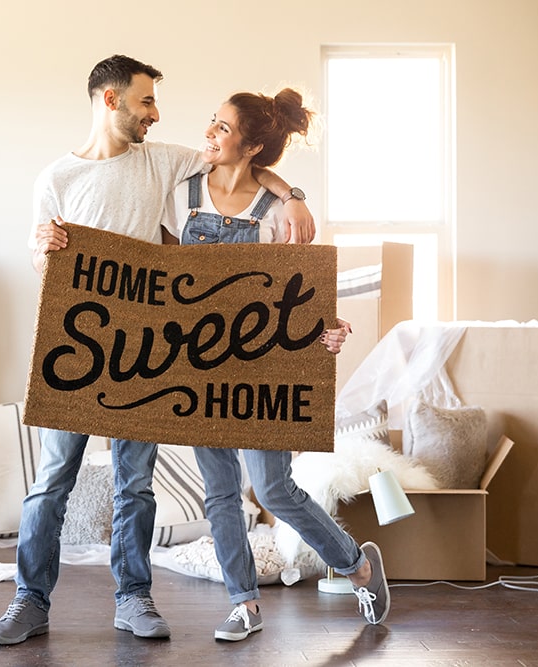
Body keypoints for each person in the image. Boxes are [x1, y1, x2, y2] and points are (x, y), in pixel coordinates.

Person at [0, 54, 315, 646]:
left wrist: (294, 196)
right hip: (76, 346)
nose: (156, 115)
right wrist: (45, 249)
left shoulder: (160, 162)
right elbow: (43, 267)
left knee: (133, 484)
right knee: (52, 479)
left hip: (141, 348)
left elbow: (242, 162)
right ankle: (29, 602)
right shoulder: (55, 179)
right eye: (146, 102)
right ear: (111, 101)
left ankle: (133, 598)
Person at [166, 87, 389, 642]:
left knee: (272, 489)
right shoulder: (184, 189)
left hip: (262, 367)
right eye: (211, 122)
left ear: (253, 143)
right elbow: (162, 269)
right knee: (218, 492)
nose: (210, 134)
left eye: (222, 128)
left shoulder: (275, 214)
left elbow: (297, 292)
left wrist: (327, 325)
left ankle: (356, 563)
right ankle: (244, 604)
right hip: (199, 365)